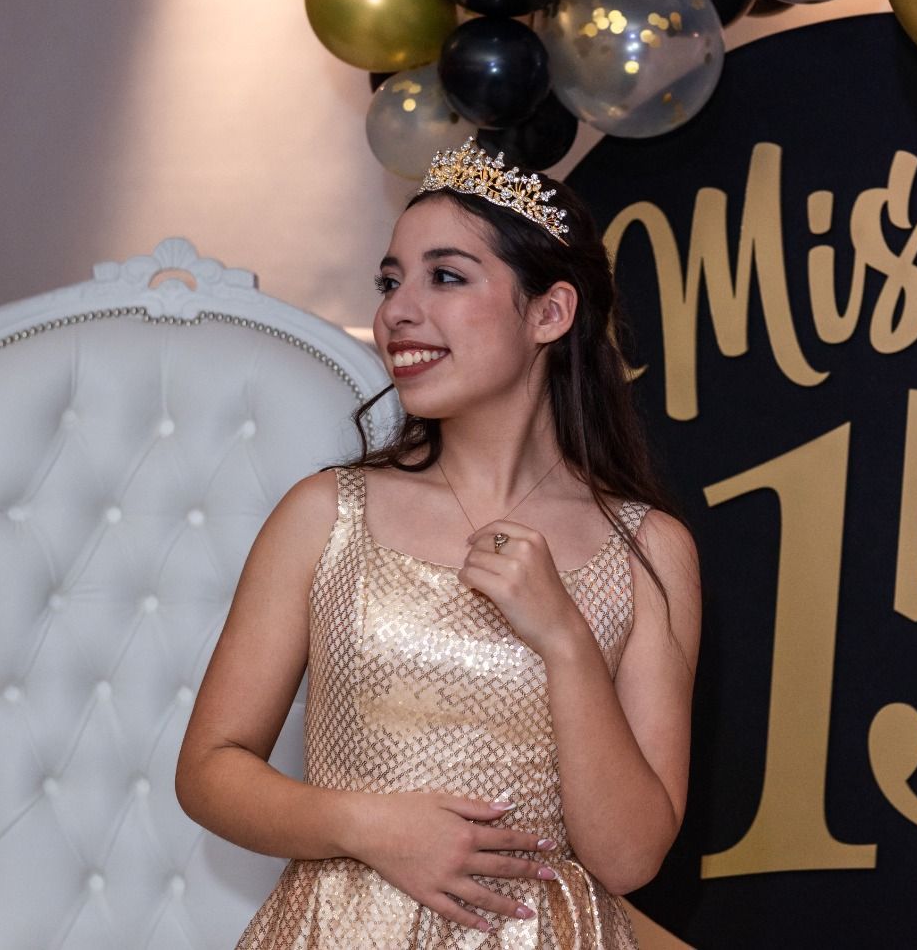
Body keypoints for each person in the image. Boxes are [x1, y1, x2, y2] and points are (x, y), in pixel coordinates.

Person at [175, 138, 701, 948]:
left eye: (446, 277)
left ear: (549, 313)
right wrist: (370, 826)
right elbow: (210, 769)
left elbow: (628, 858)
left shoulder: (649, 552)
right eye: (391, 281)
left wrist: (563, 635)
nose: (397, 311)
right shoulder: (326, 514)